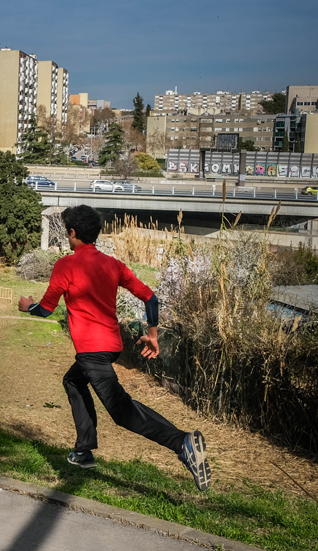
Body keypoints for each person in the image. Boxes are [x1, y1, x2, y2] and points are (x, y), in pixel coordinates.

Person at [18, 205, 211, 490]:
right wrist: (153, 334)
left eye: (68, 233)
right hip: (110, 347)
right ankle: (83, 451)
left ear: (72, 233)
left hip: (92, 352)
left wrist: (26, 307)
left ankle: (181, 443)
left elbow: (46, 309)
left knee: (122, 413)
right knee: (72, 381)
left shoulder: (66, 265)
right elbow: (151, 299)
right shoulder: (113, 265)